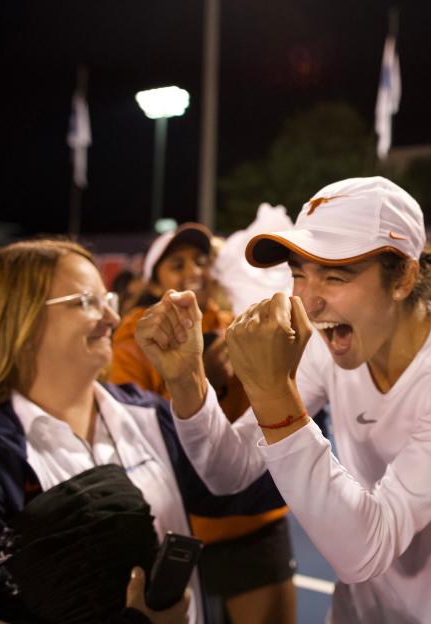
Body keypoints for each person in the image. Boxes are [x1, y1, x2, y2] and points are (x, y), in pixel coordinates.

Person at [136, 176, 431, 623]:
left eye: (333, 276)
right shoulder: (328, 349)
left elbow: (367, 549)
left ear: (404, 276)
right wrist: (188, 379)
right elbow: (227, 473)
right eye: (299, 275)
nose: (306, 302)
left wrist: (273, 392)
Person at [0, 239, 282, 623]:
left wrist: (298, 380)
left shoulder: (148, 414)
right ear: (18, 320)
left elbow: (243, 488)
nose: (112, 317)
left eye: (108, 299)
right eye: (87, 302)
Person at [109, 224, 296, 624]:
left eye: (201, 260)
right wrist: (197, 379)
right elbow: (130, 432)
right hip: (183, 529)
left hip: (252, 523)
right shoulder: (132, 341)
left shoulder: (237, 323)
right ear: (154, 278)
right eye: (176, 264)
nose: (193, 270)